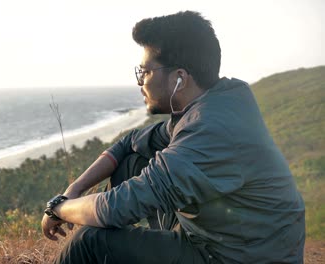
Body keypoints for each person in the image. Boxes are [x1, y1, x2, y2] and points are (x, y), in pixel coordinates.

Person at [41, 11, 305, 264]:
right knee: (132, 162)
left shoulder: (210, 130)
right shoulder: (215, 101)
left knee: (92, 241)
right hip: (223, 239)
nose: (140, 82)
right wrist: (73, 190)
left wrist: (58, 209)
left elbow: (117, 208)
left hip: (238, 258)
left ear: (179, 78)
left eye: (145, 72)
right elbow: (128, 143)